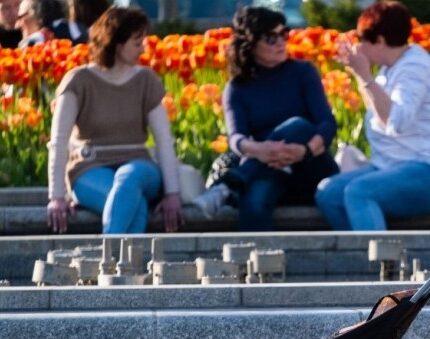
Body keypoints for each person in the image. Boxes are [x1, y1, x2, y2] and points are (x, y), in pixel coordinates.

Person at [314, 0, 430, 230]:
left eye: (363, 40)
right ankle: (359, 251)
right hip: (392, 166)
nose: (360, 47)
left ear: (381, 41)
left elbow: (396, 122)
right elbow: (377, 110)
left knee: (359, 192)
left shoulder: (414, 68)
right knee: (329, 193)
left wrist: (365, 76)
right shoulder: (391, 67)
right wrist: (361, 74)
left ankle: (381, 254)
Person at [193, 6, 339, 231]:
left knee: (298, 126)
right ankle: (255, 256)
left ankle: (229, 185)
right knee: (254, 201)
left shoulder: (303, 72)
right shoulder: (237, 88)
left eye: (284, 34)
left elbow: (327, 124)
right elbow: (236, 137)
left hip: (312, 167)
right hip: (269, 168)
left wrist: (305, 151)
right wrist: (261, 150)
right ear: (250, 44)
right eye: (271, 38)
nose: (281, 42)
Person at [46, 6, 183, 234]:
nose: (143, 49)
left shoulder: (146, 81)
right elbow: (59, 141)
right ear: (117, 44)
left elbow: (164, 141)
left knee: (129, 178)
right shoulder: (78, 81)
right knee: (135, 205)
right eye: (137, 43)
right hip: (89, 168)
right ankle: (122, 257)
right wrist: (56, 197)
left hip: (140, 166)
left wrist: (173, 194)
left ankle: (107, 254)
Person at [16, 0, 86, 47]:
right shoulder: (81, 30)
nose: (17, 25)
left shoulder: (32, 42)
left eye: (20, 17)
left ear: (35, 14)